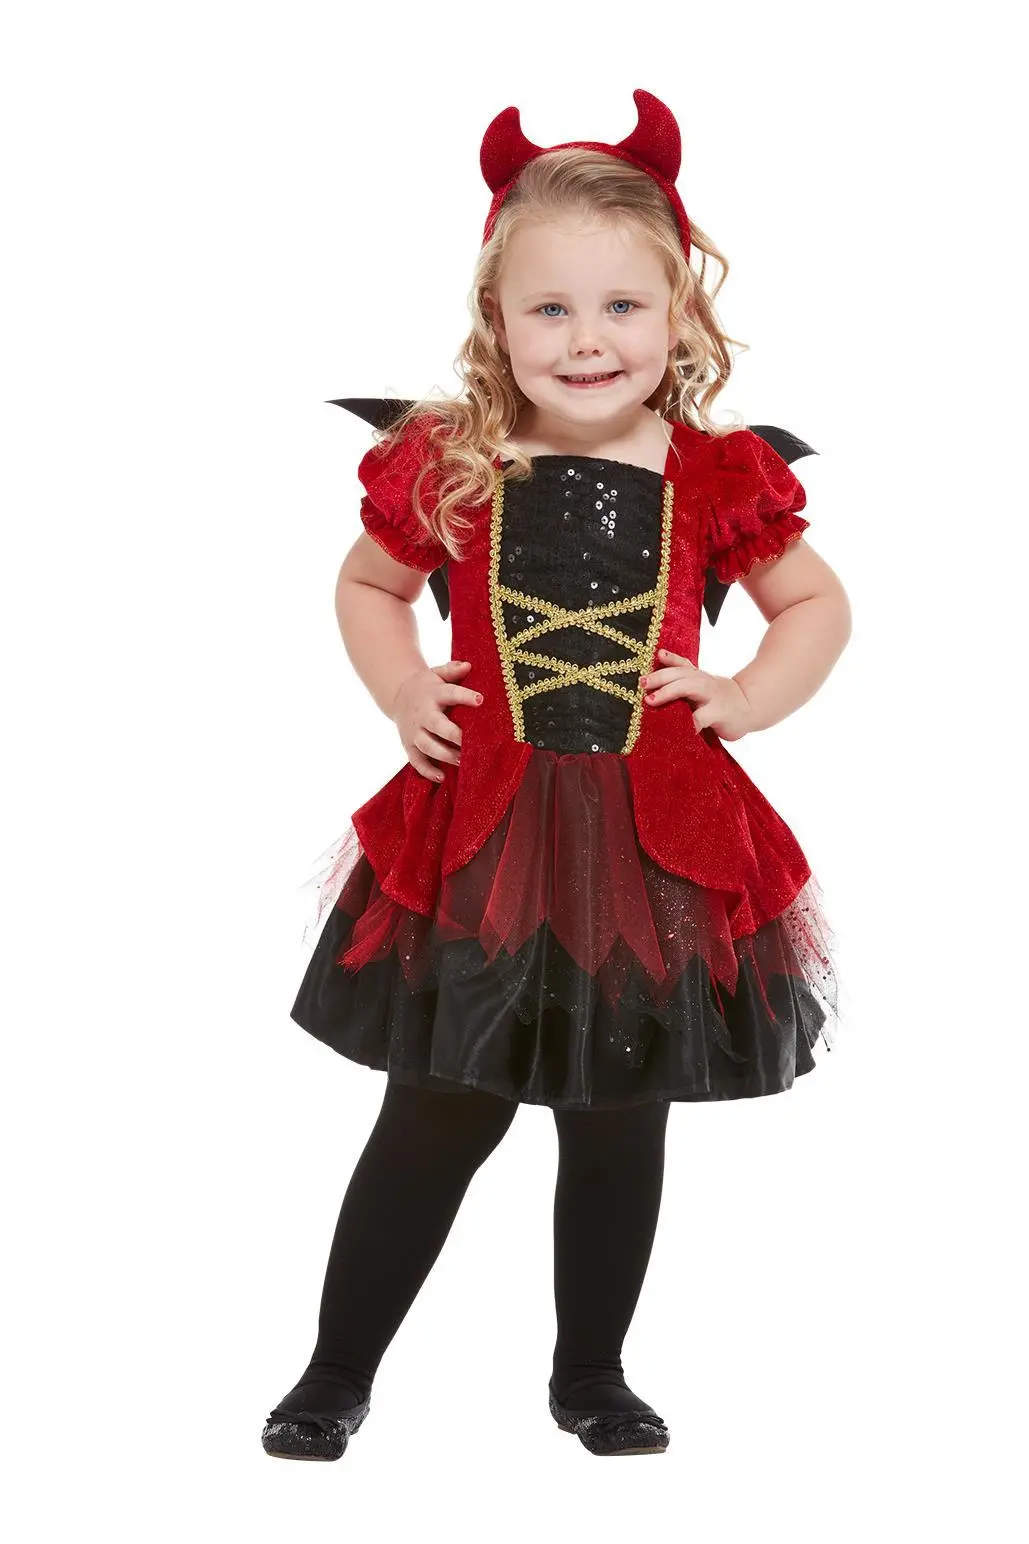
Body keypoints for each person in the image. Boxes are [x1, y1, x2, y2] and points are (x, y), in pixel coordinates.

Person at [262, 88, 851, 1462]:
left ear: (680, 314)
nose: (588, 340)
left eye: (623, 307)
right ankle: (337, 1370)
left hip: (651, 844)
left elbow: (816, 605)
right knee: (437, 1110)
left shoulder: (716, 474)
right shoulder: (456, 462)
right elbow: (367, 584)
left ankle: (591, 1373)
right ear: (497, 320)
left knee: (619, 1122)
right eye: (551, 310)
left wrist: (744, 696)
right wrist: (402, 686)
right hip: (483, 834)